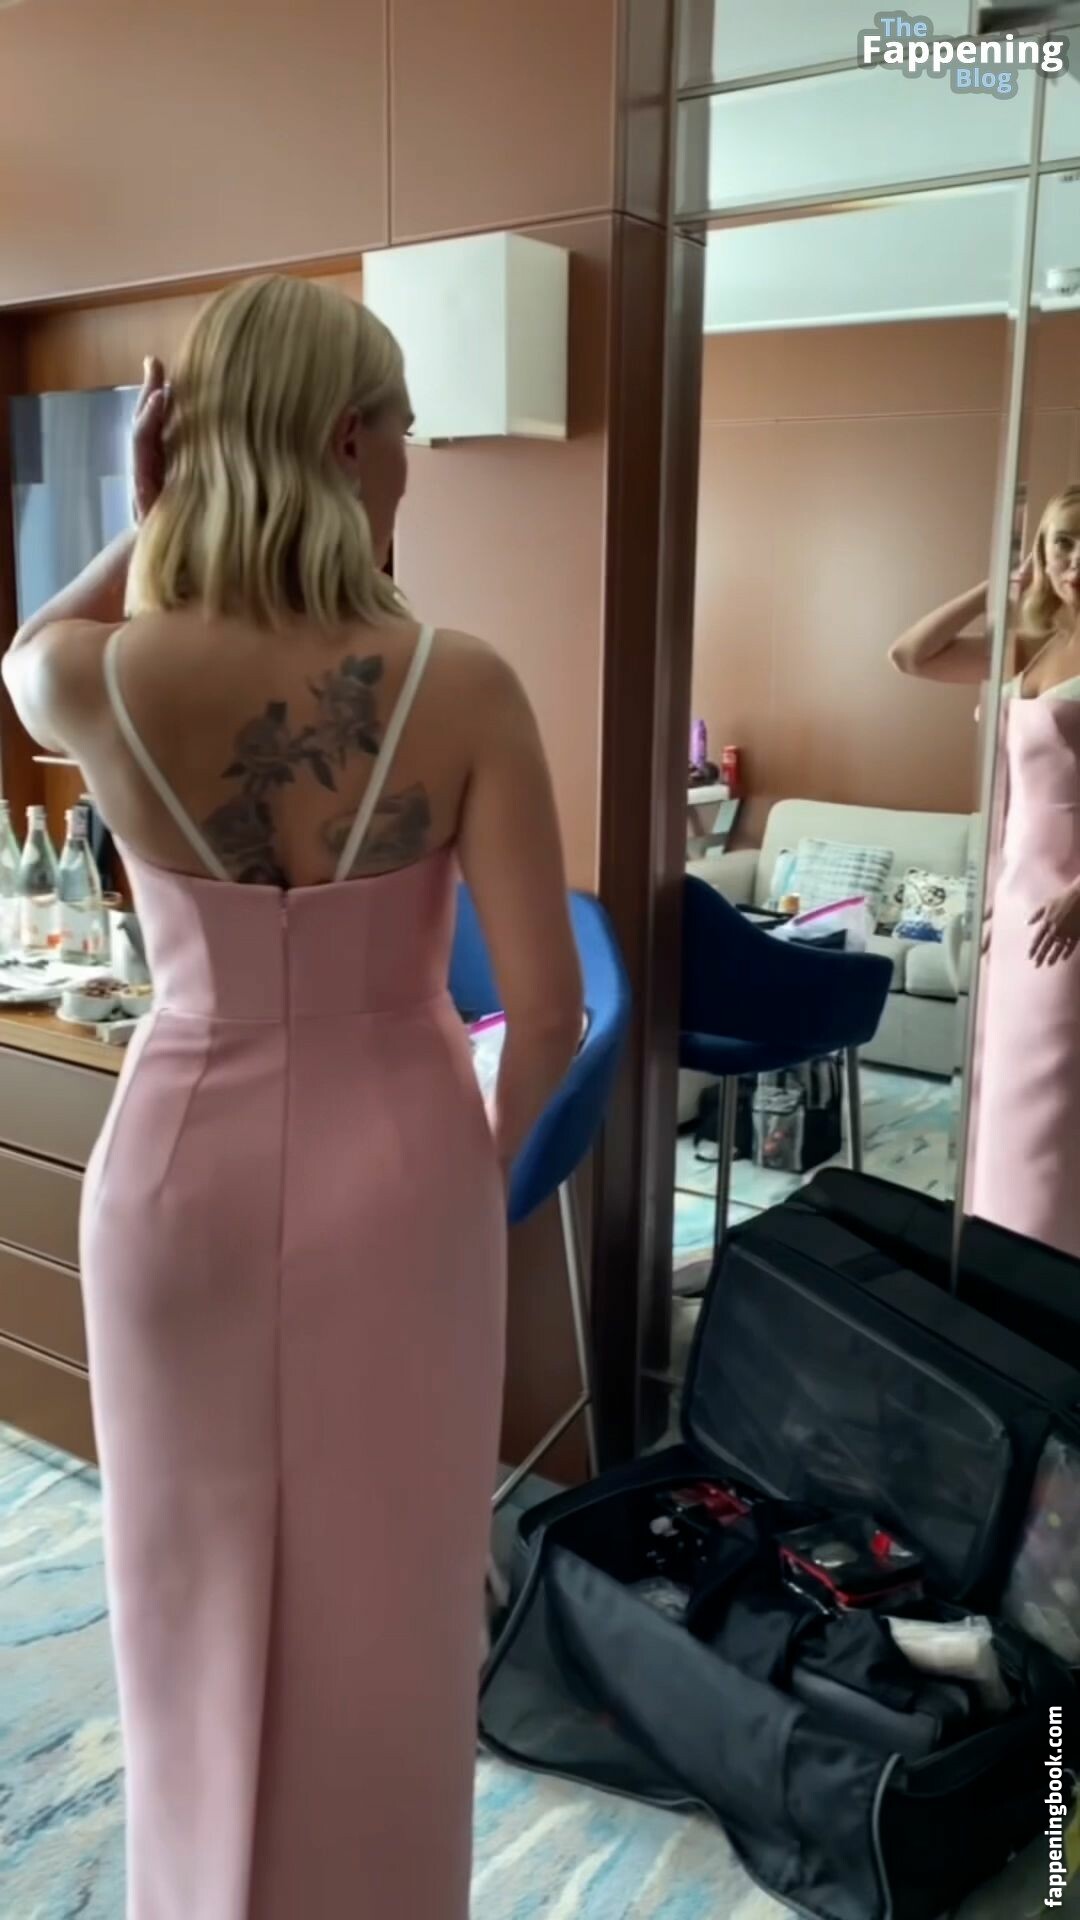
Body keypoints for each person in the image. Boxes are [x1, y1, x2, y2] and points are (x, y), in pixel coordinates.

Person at [2, 275, 583, 1920]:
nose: (410, 464)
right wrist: (469, 1203)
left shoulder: (104, 677)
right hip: (399, 1180)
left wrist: (153, 519)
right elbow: (547, 1018)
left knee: (182, 1594)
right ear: (344, 442)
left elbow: (26, 651)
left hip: (173, 1172)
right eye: (403, 431)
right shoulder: (462, 682)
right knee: (390, 1612)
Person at [889, 485, 1080, 1258]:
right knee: (1000, 1086)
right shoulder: (1033, 643)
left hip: (1068, 906)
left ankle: (1054, 1263)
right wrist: (995, 583)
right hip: (1011, 894)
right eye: (1064, 541)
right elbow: (910, 655)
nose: (1076, 559)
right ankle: (999, 1252)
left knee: (1054, 1096)